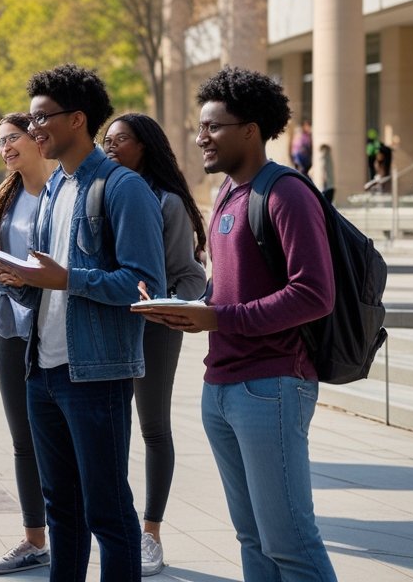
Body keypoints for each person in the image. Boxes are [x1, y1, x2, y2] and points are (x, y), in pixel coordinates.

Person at [138, 67, 338, 581]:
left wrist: (218, 316)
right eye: (200, 127)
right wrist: (186, 306)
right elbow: (229, 287)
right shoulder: (227, 191)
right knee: (252, 540)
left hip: (271, 386)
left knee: (289, 542)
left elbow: (314, 294)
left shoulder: (286, 192)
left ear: (251, 129)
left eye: (213, 127)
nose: (201, 137)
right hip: (221, 384)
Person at [0, 65, 165, 582]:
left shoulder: (122, 188)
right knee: (60, 507)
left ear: (77, 119)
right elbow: (47, 276)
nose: (34, 128)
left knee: (106, 509)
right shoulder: (56, 188)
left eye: (42, 118)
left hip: (96, 374)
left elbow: (144, 283)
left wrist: (69, 279)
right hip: (41, 369)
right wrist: (14, 278)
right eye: (31, 119)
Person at [101, 113, 207, 576]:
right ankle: (117, 526)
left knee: (153, 427)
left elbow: (189, 273)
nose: (110, 147)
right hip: (109, 327)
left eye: (120, 139)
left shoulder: (167, 203)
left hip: (155, 329)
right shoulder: (106, 193)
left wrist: (167, 306)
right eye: (106, 139)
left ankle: (151, 532)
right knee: (110, 428)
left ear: (144, 145)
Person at [0, 113, 54, 575]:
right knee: (23, 440)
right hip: (9, 328)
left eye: (12, 138)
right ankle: (34, 539)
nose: (5, 147)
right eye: (0, 142)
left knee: (62, 440)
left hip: (55, 331)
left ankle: (74, 534)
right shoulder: (2, 201)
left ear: (36, 138)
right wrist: (4, 278)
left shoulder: (63, 193)